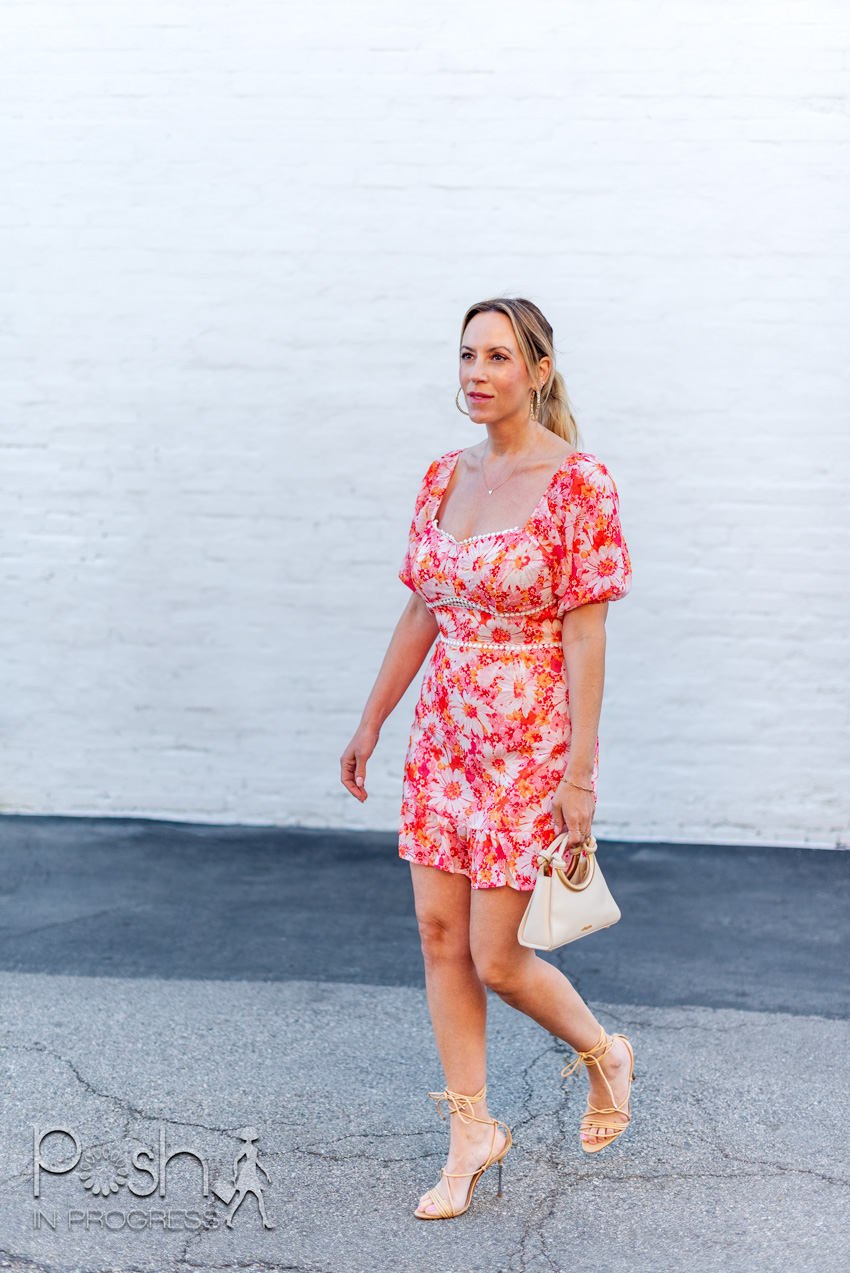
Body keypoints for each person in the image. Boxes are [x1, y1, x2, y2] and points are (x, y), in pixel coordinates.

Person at [340, 297, 634, 1221]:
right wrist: (371, 719)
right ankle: (471, 1131)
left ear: (538, 371)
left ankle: (602, 1051)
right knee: (437, 939)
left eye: (498, 356)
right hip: (444, 741)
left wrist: (579, 774)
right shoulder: (441, 476)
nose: (476, 372)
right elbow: (424, 607)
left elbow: (586, 639)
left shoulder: (580, 484)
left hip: (528, 748)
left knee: (499, 957)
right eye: (467, 354)